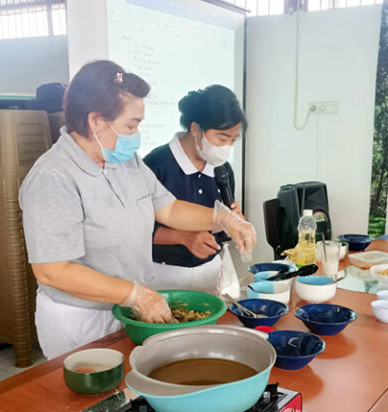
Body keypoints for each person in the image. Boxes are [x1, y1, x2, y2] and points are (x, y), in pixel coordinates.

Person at [19, 61, 256, 359]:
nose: (136, 134)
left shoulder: (124, 161)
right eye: (131, 125)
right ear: (97, 121)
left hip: (126, 309)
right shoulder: (53, 177)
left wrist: (223, 218)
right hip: (80, 317)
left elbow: (169, 209)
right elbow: (52, 271)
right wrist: (134, 294)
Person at [143, 85, 244, 293]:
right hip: (163, 274)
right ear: (196, 129)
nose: (227, 147)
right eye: (222, 138)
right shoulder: (156, 165)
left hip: (211, 271)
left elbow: (218, 224)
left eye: (233, 140)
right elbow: (139, 230)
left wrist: (233, 223)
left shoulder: (222, 169)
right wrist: (184, 238)